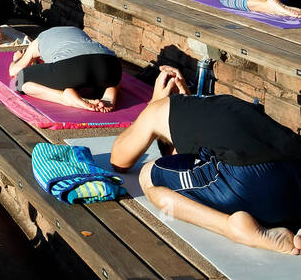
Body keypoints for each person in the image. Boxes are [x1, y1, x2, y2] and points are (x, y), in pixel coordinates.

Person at [111, 72, 301, 255]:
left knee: (148, 176)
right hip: (295, 173)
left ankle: (232, 227)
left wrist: (153, 103)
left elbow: (119, 160)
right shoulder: (221, 105)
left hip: (248, 181)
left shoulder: (159, 109)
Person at [8, 27, 122, 113]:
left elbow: (14, 72)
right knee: (104, 75)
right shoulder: (77, 31)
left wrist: (17, 59)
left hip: (71, 67)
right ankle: (109, 95)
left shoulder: (38, 41)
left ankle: (65, 98)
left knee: (19, 82)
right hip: (112, 64)